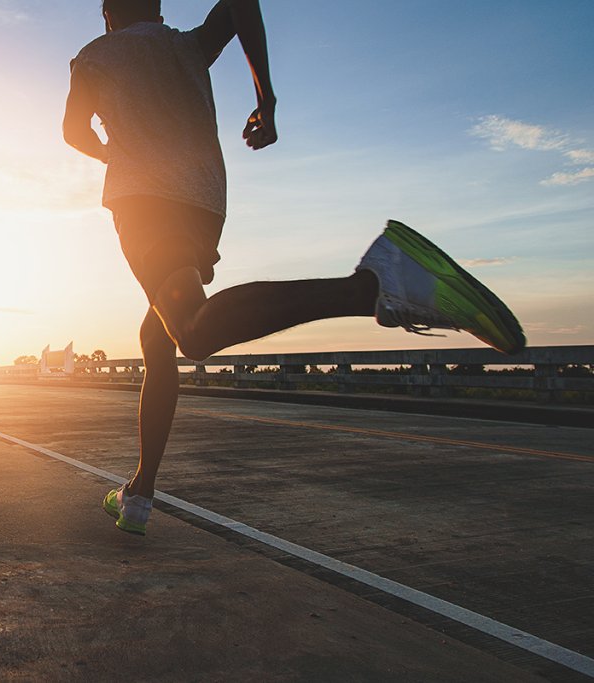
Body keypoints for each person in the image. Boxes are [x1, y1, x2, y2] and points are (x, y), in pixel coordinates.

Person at [63, 0, 525, 536]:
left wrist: (115, 151)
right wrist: (267, 99)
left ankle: (371, 285)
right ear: (158, 7)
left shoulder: (95, 55)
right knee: (158, 335)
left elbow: (75, 131)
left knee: (190, 330)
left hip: (145, 202)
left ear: (107, 14)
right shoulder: (186, 46)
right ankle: (140, 494)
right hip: (203, 206)